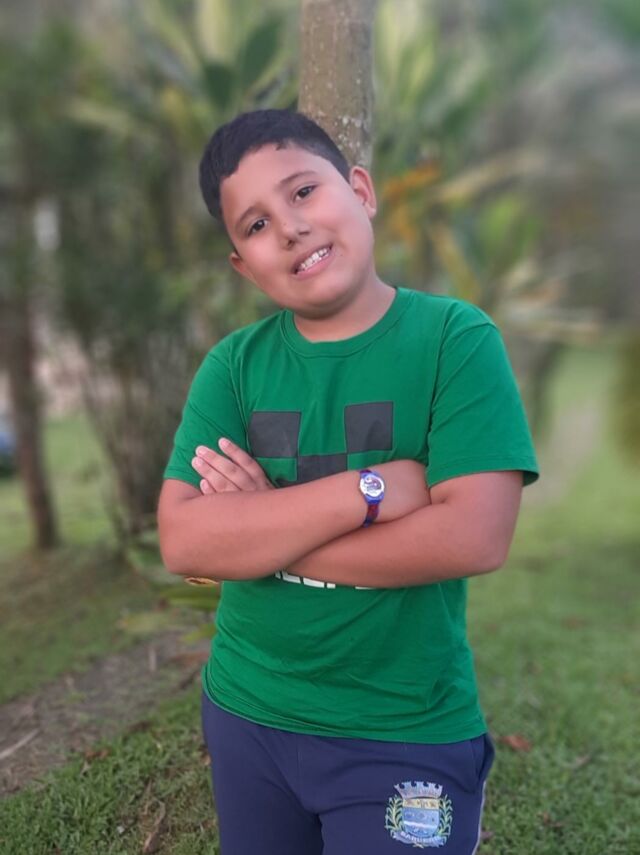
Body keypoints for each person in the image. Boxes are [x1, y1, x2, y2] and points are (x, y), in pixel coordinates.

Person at [158, 109, 539, 855]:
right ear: (243, 265)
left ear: (360, 190)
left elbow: (474, 535)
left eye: (303, 191)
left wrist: (262, 532)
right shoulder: (233, 368)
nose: (291, 228)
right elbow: (184, 540)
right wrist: (368, 492)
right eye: (257, 225)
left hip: (404, 727)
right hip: (247, 714)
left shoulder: (454, 341)